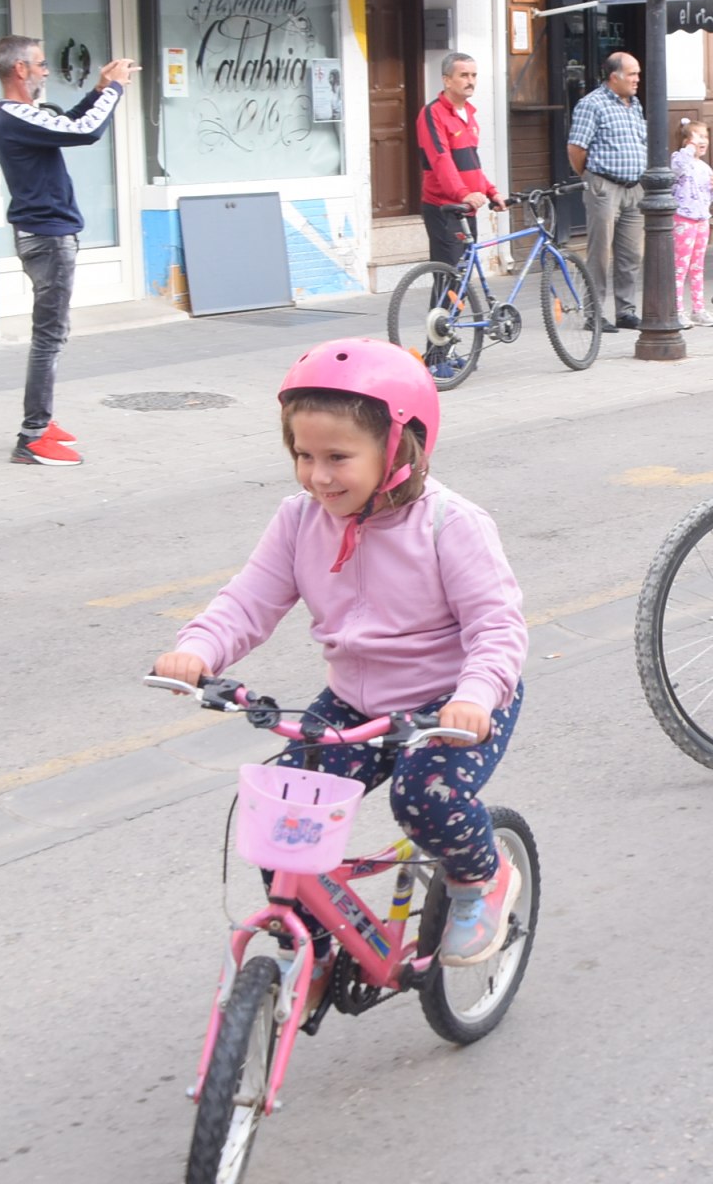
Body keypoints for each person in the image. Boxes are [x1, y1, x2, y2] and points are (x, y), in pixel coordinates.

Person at [151, 338, 528, 969]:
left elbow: (496, 627)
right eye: (303, 455)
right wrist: (197, 648)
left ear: (398, 448)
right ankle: (317, 954)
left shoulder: (450, 525)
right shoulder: (300, 520)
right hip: (355, 706)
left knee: (424, 796)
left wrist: (474, 697)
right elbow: (250, 600)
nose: (317, 475)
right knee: (280, 815)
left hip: (449, 706)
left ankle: (478, 881)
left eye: (338, 457)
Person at [0, 34, 132, 468]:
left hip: (46, 234)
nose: (46, 71)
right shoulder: (12, 118)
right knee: (49, 337)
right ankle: (32, 436)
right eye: (41, 64)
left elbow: (68, 122)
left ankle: (41, 425)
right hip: (47, 238)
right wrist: (118, 89)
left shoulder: (20, 117)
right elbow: (86, 132)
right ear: (20, 71)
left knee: (53, 334)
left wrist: (100, 91)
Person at [415, 52, 501, 351]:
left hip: (467, 209)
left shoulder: (469, 114)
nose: (470, 81)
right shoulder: (433, 114)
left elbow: (472, 164)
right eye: (463, 75)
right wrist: (462, 194)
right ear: (446, 79)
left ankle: (449, 346)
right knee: (447, 279)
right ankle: (436, 354)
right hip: (443, 207)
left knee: (460, 281)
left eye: (474, 75)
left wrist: (490, 191)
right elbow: (441, 160)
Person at [567, 52, 648, 330]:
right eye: (632, 74)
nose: (638, 79)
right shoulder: (592, 104)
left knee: (631, 255)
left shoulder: (634, 104)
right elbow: (576, 148)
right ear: (614, 77)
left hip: (633, 188)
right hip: (605, 186)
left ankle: (626, 311)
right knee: (600, 253)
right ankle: (594, 313)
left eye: (638, 73)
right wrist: (591, 178)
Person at [671, 120, 713, 327]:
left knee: (697, 267)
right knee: (679, 268)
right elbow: (679, 166)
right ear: (686, 142)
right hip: (683, 220)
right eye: (697, 137)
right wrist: (689, 147)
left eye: (705, 137)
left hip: (702, 219)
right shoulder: (679, 159)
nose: (703, 141)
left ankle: (698, 309)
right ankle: (676, 309)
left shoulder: (704, 167)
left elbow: (709, 196)